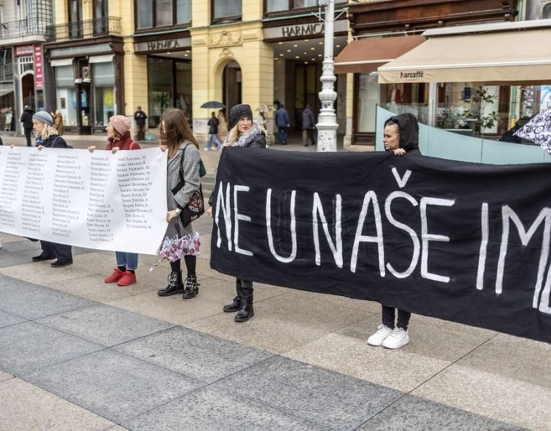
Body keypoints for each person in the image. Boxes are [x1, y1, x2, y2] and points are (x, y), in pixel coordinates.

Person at [208, 104, 266, 322]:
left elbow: (251, 164)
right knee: (234, 248)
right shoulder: (230, 142)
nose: (246, 123)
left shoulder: (257, 139)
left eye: (248, 118)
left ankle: (247, 303)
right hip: (231, 201)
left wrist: (233, 156)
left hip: (248, 203)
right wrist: (214, 201)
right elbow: (222, 174)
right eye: (241, 119)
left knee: (244, 251)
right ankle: (240, 296)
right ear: (235, 122)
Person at [367, 112, 421, 349]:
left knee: (402, 279)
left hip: (407, 234)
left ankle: (402, 329)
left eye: (389, 136)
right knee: (386, 277)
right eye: (384, 135)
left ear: (403, 137)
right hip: (387, 229)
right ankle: (387, 324)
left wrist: (403, 161)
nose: (384, 140)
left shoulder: (416, 160)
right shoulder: (386, 159)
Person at [88, 115, 141, 286]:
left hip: (128, 199)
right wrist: (93, 155)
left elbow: (140, 172)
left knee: (129, 234)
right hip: (113, 199)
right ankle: (120, 267)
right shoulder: (108, 145)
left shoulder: (132, 146)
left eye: (109, 125)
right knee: (117, 233)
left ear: (117, 128)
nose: (106, 128)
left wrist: (121, 158)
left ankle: (130, 271)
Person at [157, 108, 201, 299]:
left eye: (166, 126)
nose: (163, 130)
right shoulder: (166, 149)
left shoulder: (189, 149)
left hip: (179, 206)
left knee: (186, 240)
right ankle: (176, 280)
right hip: (165, 204)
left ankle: (191, 280)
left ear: (176, 127)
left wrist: (177, 207)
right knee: (170, 241)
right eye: (162, 126)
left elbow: (192, 182)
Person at [31, 111, 73, 268]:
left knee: (56, 222)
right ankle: (48, 251)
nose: (34, 127)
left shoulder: (57, 141)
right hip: (44, 186)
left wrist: (46, 154)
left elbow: (62, 163)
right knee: (43, 219)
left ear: (45, 125)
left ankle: (64, 256)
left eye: (37, 124)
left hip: (56, 188)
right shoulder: (40, 141)